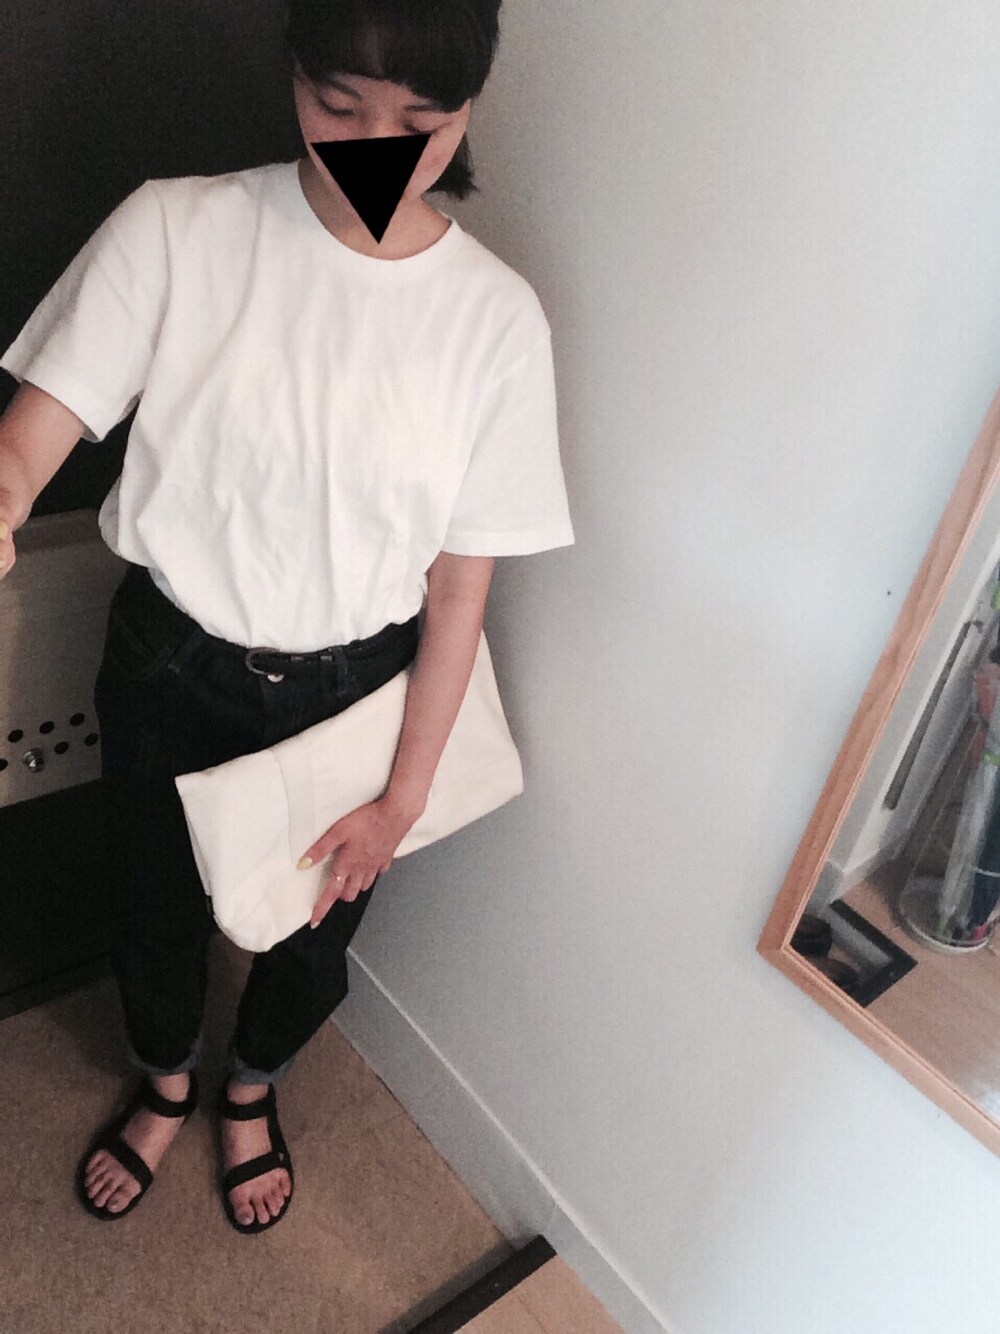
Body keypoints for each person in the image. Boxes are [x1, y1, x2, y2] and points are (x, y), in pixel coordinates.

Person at [0, 0, 574, 1234]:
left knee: (313, 934)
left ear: (468, 110)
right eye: (339, 106)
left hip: (356, 687)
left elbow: (460, 585)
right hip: (169, 658)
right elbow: (34, 432)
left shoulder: (495, 322)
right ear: (293, 77)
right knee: (148, 901)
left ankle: (251, 1081)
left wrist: (405, 793)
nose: (377, 148)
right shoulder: (178, 228)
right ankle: (165, 1076)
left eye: (420, 120)